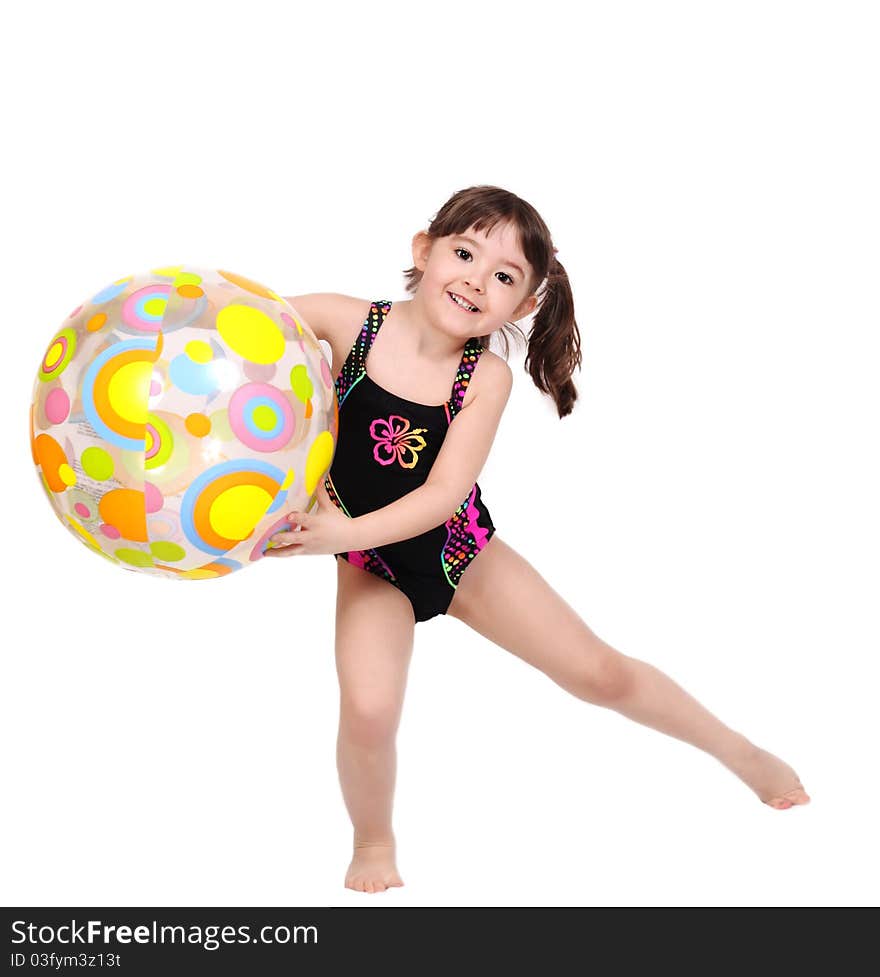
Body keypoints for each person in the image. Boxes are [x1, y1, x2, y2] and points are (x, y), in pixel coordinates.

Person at [264, 185, 810, 894]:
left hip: (458, 552)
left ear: (521, 307)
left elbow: (442, 496)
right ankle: (373, 840)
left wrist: (336, 530)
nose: (474, 279)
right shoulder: (344, 320)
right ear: (423, 251)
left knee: (600, 674)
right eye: (463, 253)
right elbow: (247, 325)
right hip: (371, 564)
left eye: (502, 277)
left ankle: (744, 753)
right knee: (368, 710)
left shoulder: (483, 376)